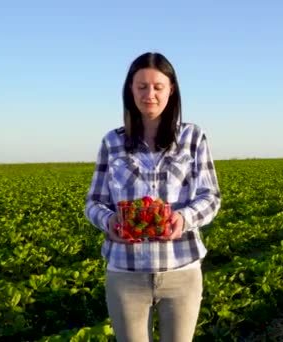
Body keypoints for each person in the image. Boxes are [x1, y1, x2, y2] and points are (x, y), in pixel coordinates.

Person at [84, 51, 221, 342]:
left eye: (158, 87)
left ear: (171, 90)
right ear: (130, 91)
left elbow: (211, 197)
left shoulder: (193, 138)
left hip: (181, 269)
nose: (150, 94)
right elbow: (93, 202)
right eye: (142, 86)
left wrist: (182, 219)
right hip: (125, 273)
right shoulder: (113, 141)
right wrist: (110, 223)